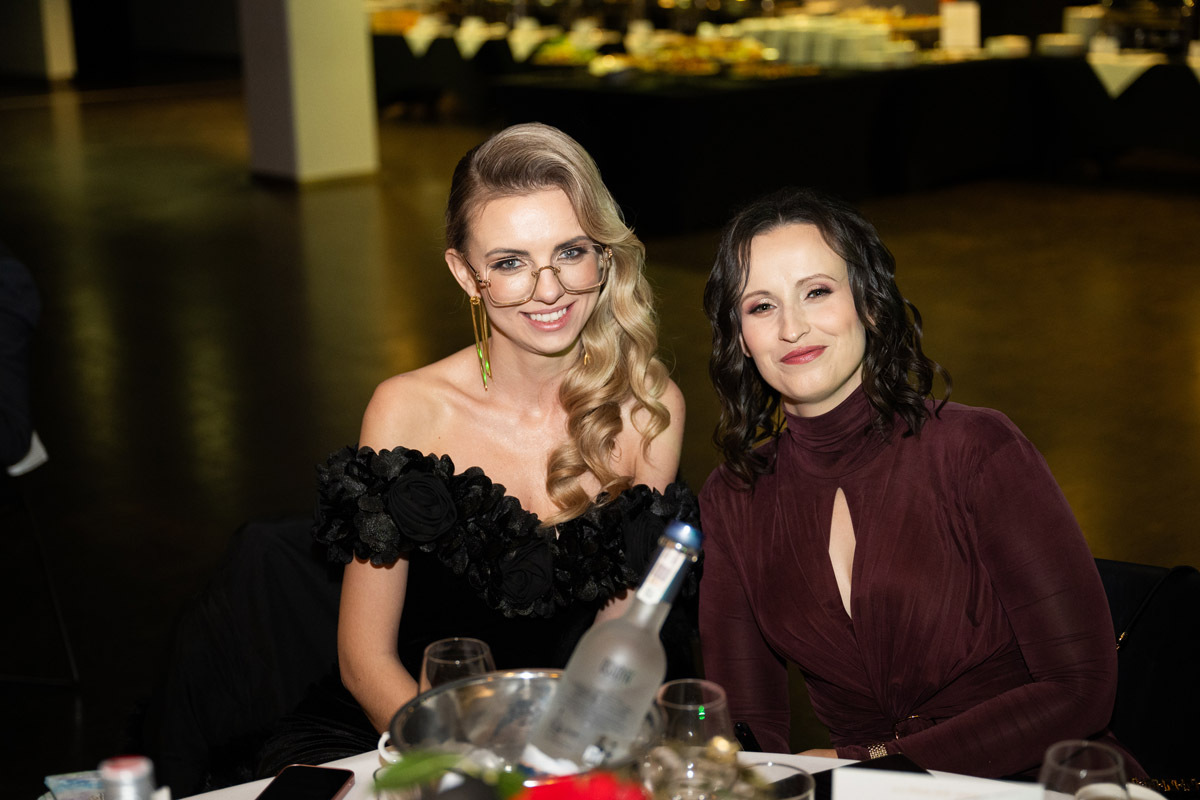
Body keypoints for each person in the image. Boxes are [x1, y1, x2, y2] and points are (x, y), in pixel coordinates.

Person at [697, 186, 1140, 779]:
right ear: (740, 337)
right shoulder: (734, 497)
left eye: (817, 292)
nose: (792, 328)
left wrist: (870, 764)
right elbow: (745, 728)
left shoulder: (976, 448)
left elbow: (1080, 689)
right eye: (761, 306)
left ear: (869, 304)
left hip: (1038, 780)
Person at [314, 122, 696, 736]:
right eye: (511, 263)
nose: (549, 290)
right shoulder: (407, 412)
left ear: (603, 255)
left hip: (578, 732)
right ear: (467, 275)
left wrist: (551, 765)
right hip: (424, 726)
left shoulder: (648, 410)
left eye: (570, 252)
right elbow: (365, 662)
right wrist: (463, 769)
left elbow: (614, 648)